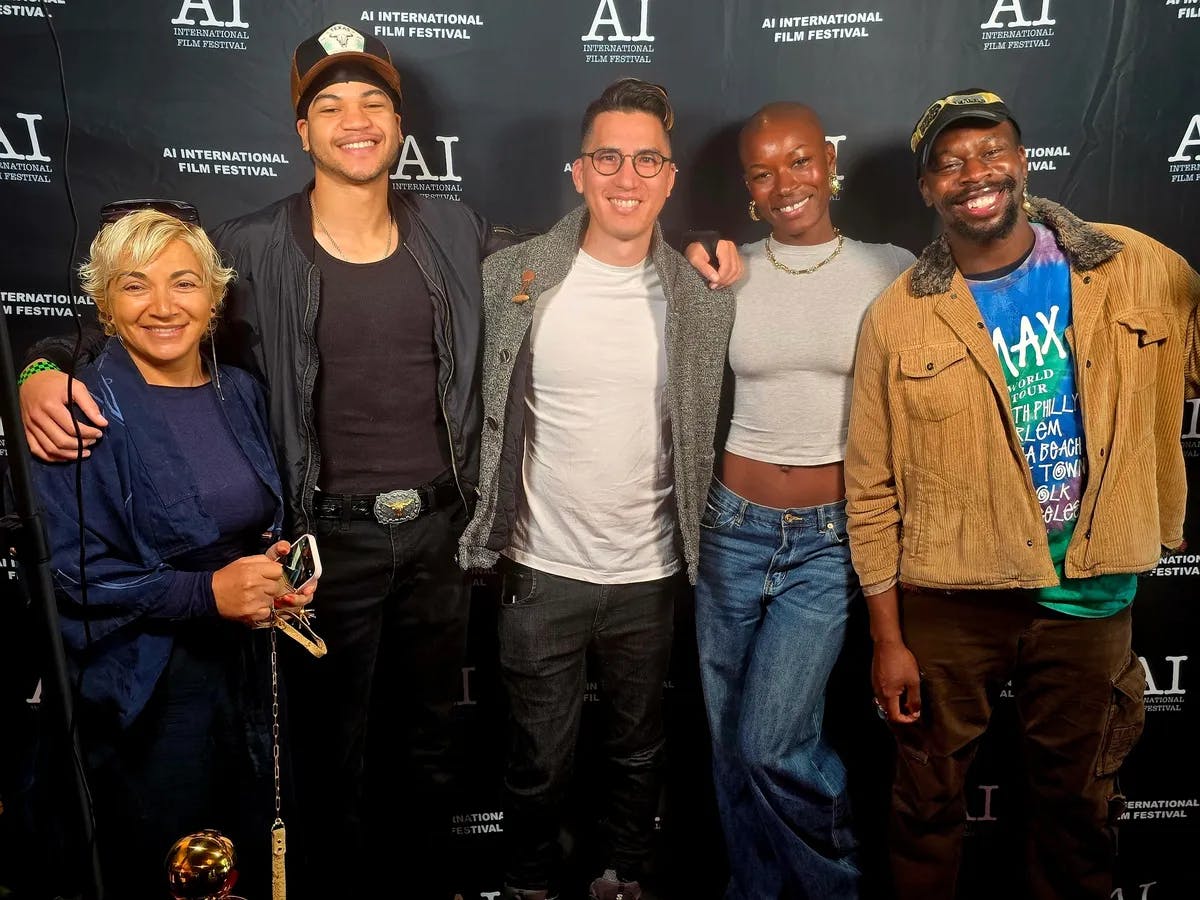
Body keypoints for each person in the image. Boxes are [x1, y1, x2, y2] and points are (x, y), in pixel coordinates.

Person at [844, 88, 1200, 900]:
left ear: (1023, 161)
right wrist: (888, 638)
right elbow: (869, 490)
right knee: (925, 804)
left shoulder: (1135, 266)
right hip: (950, 600)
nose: (975, 173)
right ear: (928, 188)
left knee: (1078, 811)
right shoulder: (897, 319)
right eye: (950, 162)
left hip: (1089, 595)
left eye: (991, 150)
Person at [458, 78, 735, 900]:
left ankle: (622, 876)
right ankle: (529, 883)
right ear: (577, 171)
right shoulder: (511, 278)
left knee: (638, 752)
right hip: (540, 570)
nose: (627, 176)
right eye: (607, 157)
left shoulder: (702, 294)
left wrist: (709, 245)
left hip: (651, 573)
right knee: (536, 757)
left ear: (670, 179)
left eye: (647, 160)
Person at [29, 204, 309, 899]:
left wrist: (276, 571)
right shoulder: (79, 408)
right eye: (135, 285)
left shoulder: (240, 391)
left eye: (183, 283)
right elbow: (73, 573)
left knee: (242, 858)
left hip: (246, 680)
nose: (162, 306)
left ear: (213, 297)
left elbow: (252, 521)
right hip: (144, 689)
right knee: (160, 866)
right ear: (104, 303)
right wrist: (207, 593)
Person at [686, 102, 913, 899]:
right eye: (762, 172)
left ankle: (834, 888)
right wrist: (694, 249)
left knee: (770, 740)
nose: (784, 184)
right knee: (729, 746)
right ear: (748, 188)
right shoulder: (725, 270)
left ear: (830, 161)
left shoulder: (890, 268)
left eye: (799, 162)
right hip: (730, 529)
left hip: (828, 539)